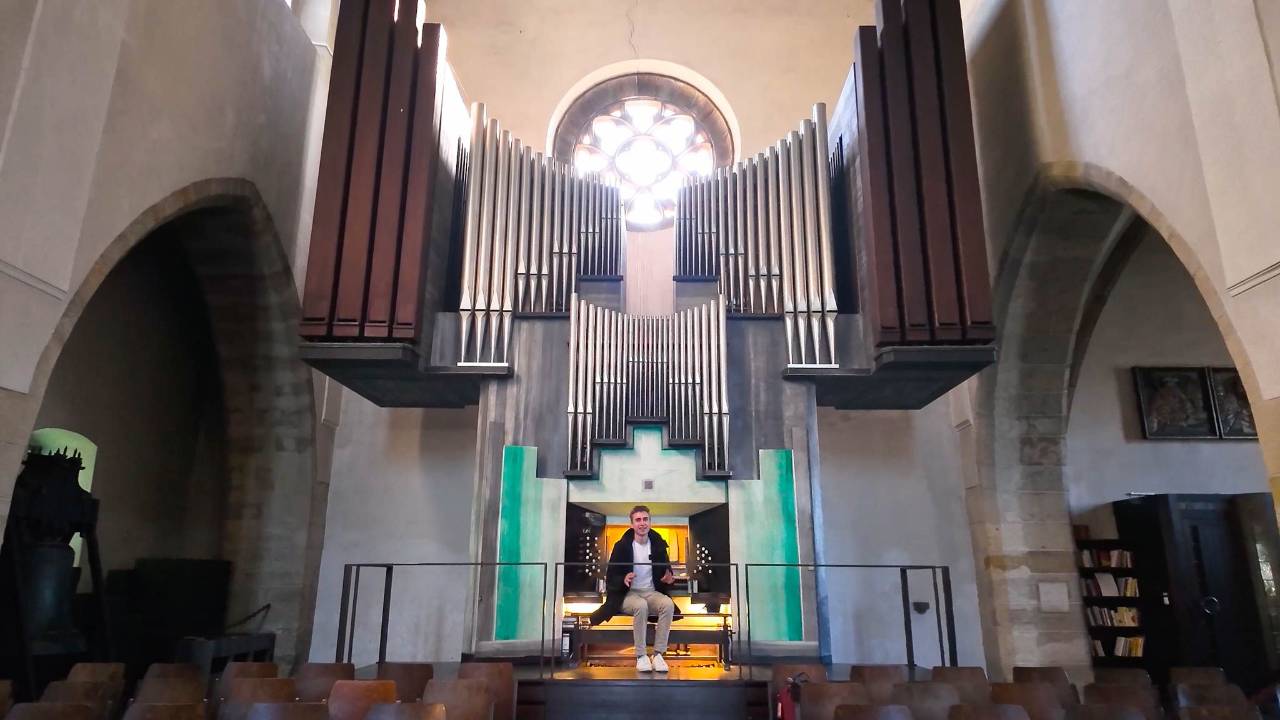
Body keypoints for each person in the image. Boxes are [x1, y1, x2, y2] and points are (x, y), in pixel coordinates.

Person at [587, 505, 679, 672]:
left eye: (645, 519)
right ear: (632, 524)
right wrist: (623, 579)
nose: (642, 523)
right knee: (640, 606)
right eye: (638, 520)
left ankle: (658, 655)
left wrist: (669, 578)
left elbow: (667, 572)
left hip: (651, 592)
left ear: (650, 522)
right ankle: (641, 656)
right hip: (627, 594)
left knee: (668, 604)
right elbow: (611, 576)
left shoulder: (658, 544)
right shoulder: (621, 546)